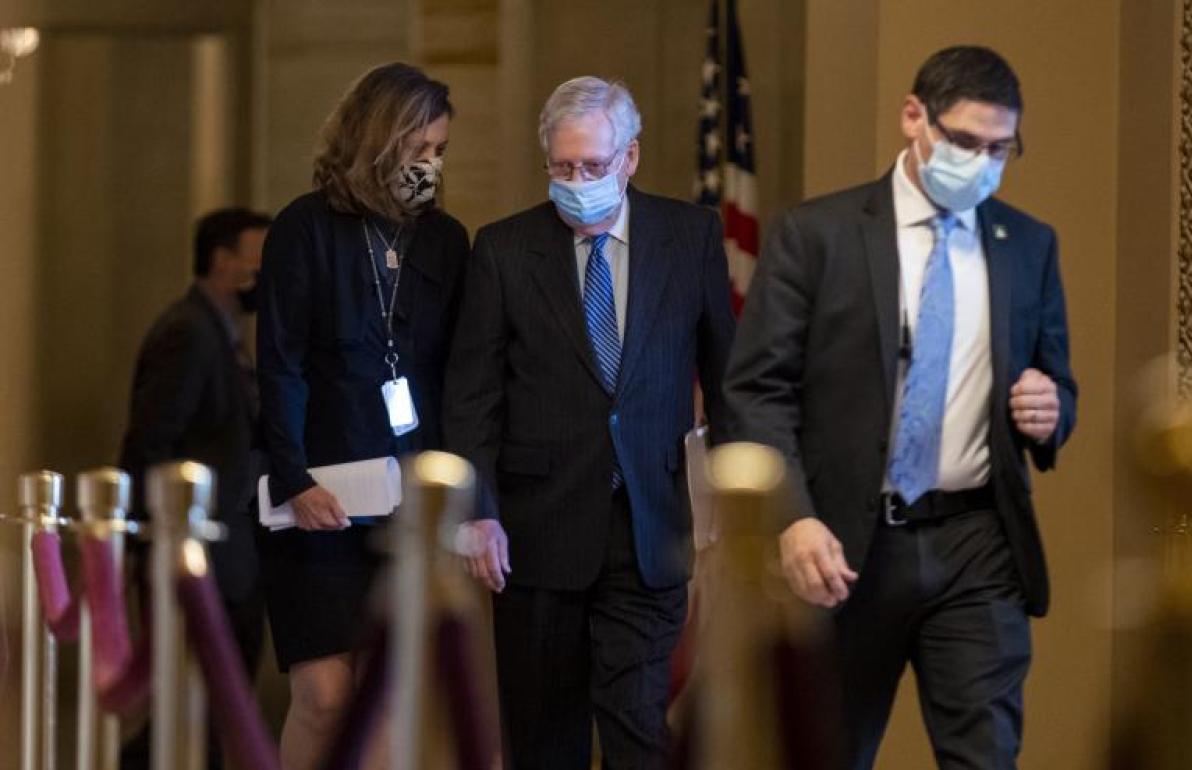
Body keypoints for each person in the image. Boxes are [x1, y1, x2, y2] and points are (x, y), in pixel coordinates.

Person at [724, 46, 1077, 769]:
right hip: (846, 545)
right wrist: (794, 518)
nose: (982, 163)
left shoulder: (1027, 244)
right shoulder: (816, 235)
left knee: (985, 755)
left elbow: (1056, 383)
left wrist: (1052, 409)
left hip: (978, 543)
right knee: (825, 751)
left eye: (1000, 149)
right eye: (966, 141)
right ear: (915, 117)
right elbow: (756, 390)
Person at [444, 76, 736, 769]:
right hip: (536, 531)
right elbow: (472, 396)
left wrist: (738, 502)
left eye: (593, 166)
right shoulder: (504, 249)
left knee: (637, 725)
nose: (577, 183)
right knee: (544, 739)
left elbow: (728, 377)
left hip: (650, 523)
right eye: (563, 167)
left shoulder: (689, 236)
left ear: (630, 157)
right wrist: (478, 510)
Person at [256, 62, 468, 770]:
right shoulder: (305, 227)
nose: (431, 166)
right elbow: (280, 362)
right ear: (379, 140)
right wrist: (294, 477)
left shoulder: (445, 240)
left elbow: (455, 376)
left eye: (440, 151)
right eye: (419, 149)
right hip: (318, 493)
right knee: (324, 694)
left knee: (386, 697)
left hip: (409, 502)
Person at [118, 206, 271, 770]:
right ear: (223, 260)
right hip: (200, 560)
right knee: (187, 718)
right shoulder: (188, 333)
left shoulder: (223, 335)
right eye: (259, 260)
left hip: (229, 560)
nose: (266, 275)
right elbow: (149, 444)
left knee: (203, 718)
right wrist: (156, 545)